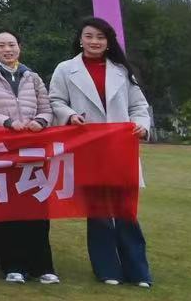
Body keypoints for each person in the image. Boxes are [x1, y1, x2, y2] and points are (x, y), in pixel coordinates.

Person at [49, 17, 154, 286]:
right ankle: (107, 270)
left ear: (108, 42)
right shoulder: (65, 69)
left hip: (120, 149)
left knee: (126, 210)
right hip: (89, 148)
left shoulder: (122, 70)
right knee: (98, 212)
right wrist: (69, 115)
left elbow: (139, 107)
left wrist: (141, 126)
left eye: (100, 37)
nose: (94, 41)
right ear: (80, 39)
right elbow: (55, 101)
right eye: (89, 36)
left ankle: (138, 271)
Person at [0, 28, 57, 284]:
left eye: (12, 44)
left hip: (32, 150)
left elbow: (47, 109)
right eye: (1, 45)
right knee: (7, 209)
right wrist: (5, 122)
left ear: (19, 47)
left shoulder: (32, 76)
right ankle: (13, 266)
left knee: (37, 207)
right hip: (1, 151)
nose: (7, 49)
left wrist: (41, 121)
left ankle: (42, 266)